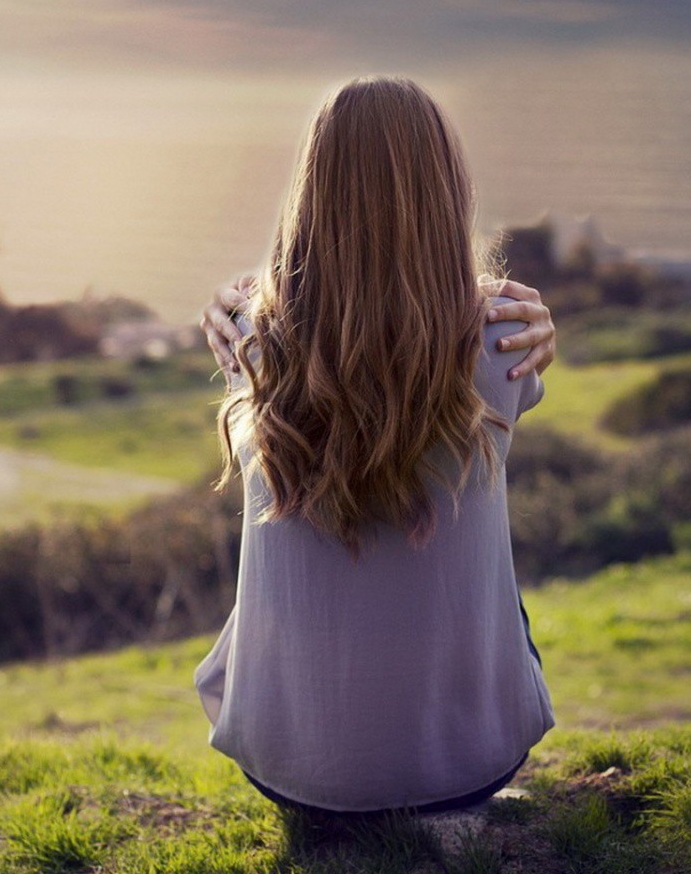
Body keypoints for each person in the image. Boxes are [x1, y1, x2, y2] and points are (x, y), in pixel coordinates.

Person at [192, 76, 560, 820]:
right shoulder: (501, 340)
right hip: (466, 770)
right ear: (445, 192)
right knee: (502, 599)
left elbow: (285, 312)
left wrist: (237, 305)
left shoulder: (255, 343)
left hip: (288, 769)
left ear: (310, 196)